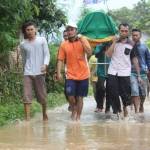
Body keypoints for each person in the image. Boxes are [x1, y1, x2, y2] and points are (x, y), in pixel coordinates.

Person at [56, 22, 92, 121]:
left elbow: (89, 52)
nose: (70, 31)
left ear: (76, 31)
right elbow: (60, 59)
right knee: (70, 96)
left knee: (80, 97)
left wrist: (82, 40)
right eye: (68, 30)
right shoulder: (64, 44)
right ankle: (74, 109)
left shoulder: (83, 40)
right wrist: (58, 73)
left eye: (72, 29)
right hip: (70, 75)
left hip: (84, 75)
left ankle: (78, 118)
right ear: (66, 32)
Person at [105, 23, 142, 119]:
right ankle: (118, 113)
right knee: (113, 92)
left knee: (125, 94)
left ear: (128, 32)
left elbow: (134, 59)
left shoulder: (132, 44)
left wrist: (138, 75)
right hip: (112, 71)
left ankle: (126, 111)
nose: (124, 32)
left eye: (126, 31)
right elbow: (108, 55)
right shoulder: (113, 41)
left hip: (125, 72)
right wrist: (114, 42)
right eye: (122, 31)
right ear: (119, 31)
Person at [20, 21, 50, 121]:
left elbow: (47, 54)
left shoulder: (42, 40)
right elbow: (24, 59)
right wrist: (23, 70)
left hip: (40, 72)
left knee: (42, 97)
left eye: (32, 29)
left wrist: (45, 64)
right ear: (25, 31)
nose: (30, 31)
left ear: (35, 30)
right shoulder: (23, 44)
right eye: (27, 30)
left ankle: (44, 113)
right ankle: (27, 119)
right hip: (27, 73)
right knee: (26, 96)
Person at [131, 28, 150, 113]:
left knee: (143, 93)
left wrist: (149, 69)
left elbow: (148, 59)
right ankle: (136, 111)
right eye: (133, 35)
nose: (134, 37)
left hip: (143, 72)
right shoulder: (129, 46)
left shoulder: (144, 47)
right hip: (131, 72)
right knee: (134, 91)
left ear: (140, 36)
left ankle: (141, 105)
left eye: (136, 35)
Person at [94, 43, 111, 113]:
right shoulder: (99, 46)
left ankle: (108, 108)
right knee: (100, 88)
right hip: (101, 71)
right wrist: (102, 48)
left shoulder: (113, 45)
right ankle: (99, 106)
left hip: (111, 71)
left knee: (110, 90)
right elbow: (96, 55)